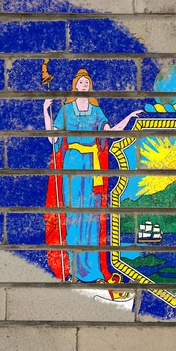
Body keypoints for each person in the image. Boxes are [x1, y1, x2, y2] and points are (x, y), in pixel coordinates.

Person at [43, 68, 143, 282]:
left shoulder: (97, 112)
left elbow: (110, 132)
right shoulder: (66, 111)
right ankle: (73, 271)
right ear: (75, 86)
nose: (84, 86)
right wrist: (45, 110)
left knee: (91, 218)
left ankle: (92, 272)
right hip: (72, 163)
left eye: (87, 83)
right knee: (73, 217)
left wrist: (129, 118)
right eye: (81, 83)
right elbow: (53, 139)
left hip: (91, 165)